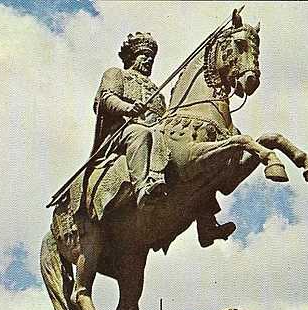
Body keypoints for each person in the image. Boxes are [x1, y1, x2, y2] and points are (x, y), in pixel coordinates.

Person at [92, 32, 235, 247]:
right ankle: (143, 187)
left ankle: (206, 222)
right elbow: (105, 98)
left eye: (151, 57)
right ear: (132, 57)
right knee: (141, 133)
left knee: (192, 161)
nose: (148, 60)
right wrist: (129, 108)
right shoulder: (117, 74)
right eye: (143, 56)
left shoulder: (155, 91)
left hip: (156, 131)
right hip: (122, 132)